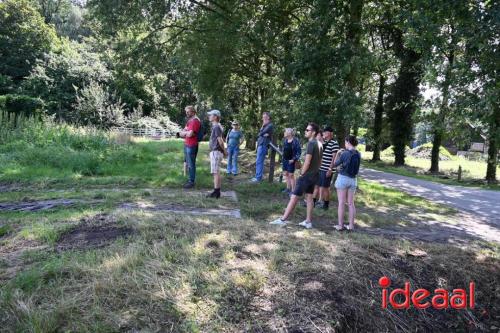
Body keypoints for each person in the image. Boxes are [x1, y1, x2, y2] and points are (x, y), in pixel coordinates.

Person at [269, 123, 323, 229]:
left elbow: (307, 162)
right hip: (315, 175)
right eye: (306, 129)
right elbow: (320, 162)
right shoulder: (320, 144)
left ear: (314, 132)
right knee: (309, 198)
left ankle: (282, 220)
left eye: (307, 130)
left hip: (307, 176)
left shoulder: (311, 144)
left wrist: (302, 173)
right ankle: (308, 221)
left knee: (294, 197)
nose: (305, 131)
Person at [333, 135, 361, 231]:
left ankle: (340, 226)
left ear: (348, 142)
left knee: (341, 202)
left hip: (343, 179)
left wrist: (337, 153)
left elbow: (335, 164)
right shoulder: (358, 154)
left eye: (345, 142)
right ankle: (351, 226)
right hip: (353, 180)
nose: (344, 144)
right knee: (351, 203)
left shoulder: (344, 153)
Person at [313, 126, 339, 210]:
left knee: (325, 188)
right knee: (318, 185)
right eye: (323, 132)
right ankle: (314, 202)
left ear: (330, 133)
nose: (323, 133)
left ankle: (326, 205)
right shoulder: (324, 142)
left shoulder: (334, 143)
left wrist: (330, 169)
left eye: (325, 132)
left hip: (327, 169)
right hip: (320, 168)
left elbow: (334, 158)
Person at [178, 106, 201, 189]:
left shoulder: (195, 121)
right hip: (187, 144)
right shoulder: (190, 121)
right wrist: (186, 132)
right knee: (188, 163)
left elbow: (190, 134)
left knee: (191, 164)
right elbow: (181, 133)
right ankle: (189, 180)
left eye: (188, 112)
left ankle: (191, 181)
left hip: (192, 145)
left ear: (193, 112)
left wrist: (186, 132)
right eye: (186, 112)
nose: (186, 113)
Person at [207, 110, 227, 199]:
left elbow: (220, 140)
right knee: (216, 172)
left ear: (215, 117)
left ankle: (216, 192)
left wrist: (225, 151)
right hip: (216, 151)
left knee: (215, 172)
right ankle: (217, 191)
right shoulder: (217, 126)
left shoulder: (216, 127)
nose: (209, 116)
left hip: (216, 151)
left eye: (211, 115)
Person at [251, 112, 274, 182]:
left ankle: (258, 178)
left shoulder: (270, 125)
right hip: (260, 144)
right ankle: (258, 177)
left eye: (264, 117)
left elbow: (261, 133)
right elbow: (259, 134)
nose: (263, 118)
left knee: (259, 161)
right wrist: (262, 132)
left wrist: (262, 133)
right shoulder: (264, 125)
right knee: (258, 161)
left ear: (268, 117)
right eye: (262, 117)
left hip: (263, 145)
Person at [281, 128, 302, 195]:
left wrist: (293, 159)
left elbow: (299, 152)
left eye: (286, 131)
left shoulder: (296, 141)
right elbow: (283, 149)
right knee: (286, 174)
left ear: (290, 133)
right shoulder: (285, 140)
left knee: (291, 175)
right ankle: (288, 188)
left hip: (292, 161)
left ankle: (293, 190)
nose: (285, 132)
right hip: (285, 160)